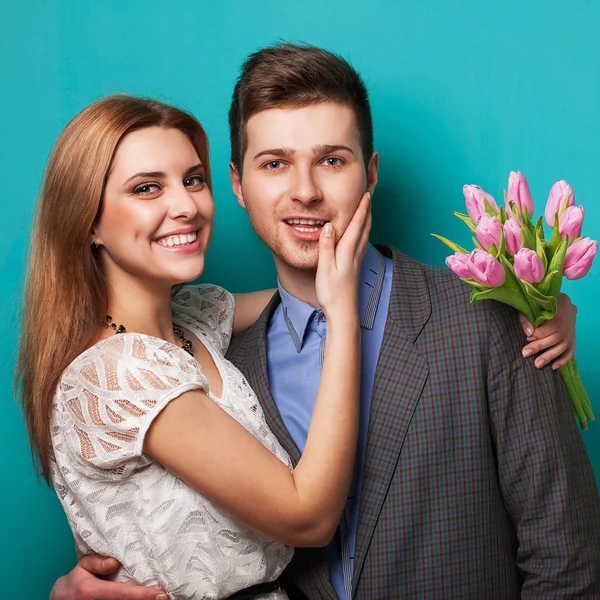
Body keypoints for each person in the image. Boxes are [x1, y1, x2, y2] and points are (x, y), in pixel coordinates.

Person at [48, 44, 599, 600]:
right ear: (239, 184)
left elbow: (567, 562)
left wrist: (536, 300)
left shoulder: (485, 322)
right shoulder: (224, 363)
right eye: (275, 163)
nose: (306, 191)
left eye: (332, 160)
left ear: (371, 172)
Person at [18, 94, 373, 599]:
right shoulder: (118, 373)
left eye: (192, 180)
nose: (185, 206)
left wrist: (507, 294)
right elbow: (307, 516)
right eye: (146, 189)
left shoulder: (193, 317)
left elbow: (301, 294)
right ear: (89, 222)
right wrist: (341, 316)